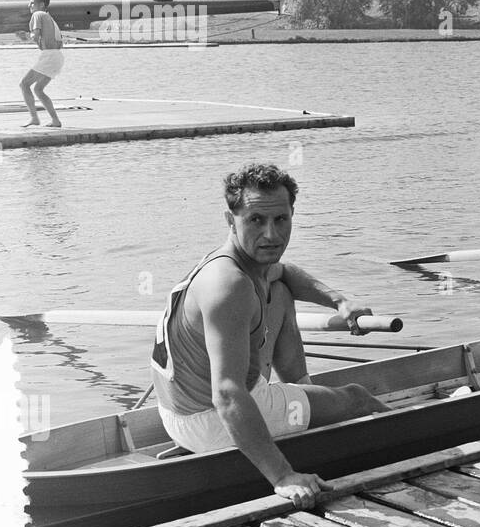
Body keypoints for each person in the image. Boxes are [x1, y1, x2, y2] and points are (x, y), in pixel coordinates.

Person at [149, 163, 379, 507]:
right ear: (231, 220)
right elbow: (227, 395)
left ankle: (302, 400)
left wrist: (340, 301)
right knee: (357, 397)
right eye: (256, 220)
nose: (271, 235)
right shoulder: (229, 285)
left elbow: (284, 272)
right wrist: (283, 476)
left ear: (291, 215)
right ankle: (418, 430)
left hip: (177, 411)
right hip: (210, 421)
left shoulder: (235, 261)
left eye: (281, 220)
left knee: (282, 290)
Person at [20, 0, 64, 128]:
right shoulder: (50, 18)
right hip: (57, 57)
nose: (29, 6)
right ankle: (55, 121)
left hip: (49, 56)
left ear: (41, 5)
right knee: (38, 89)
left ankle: (34, 118)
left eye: (32, 3)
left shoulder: (37, 15)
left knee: (24, 84)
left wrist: (26, 36)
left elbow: (35, 35)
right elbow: (59, 42)